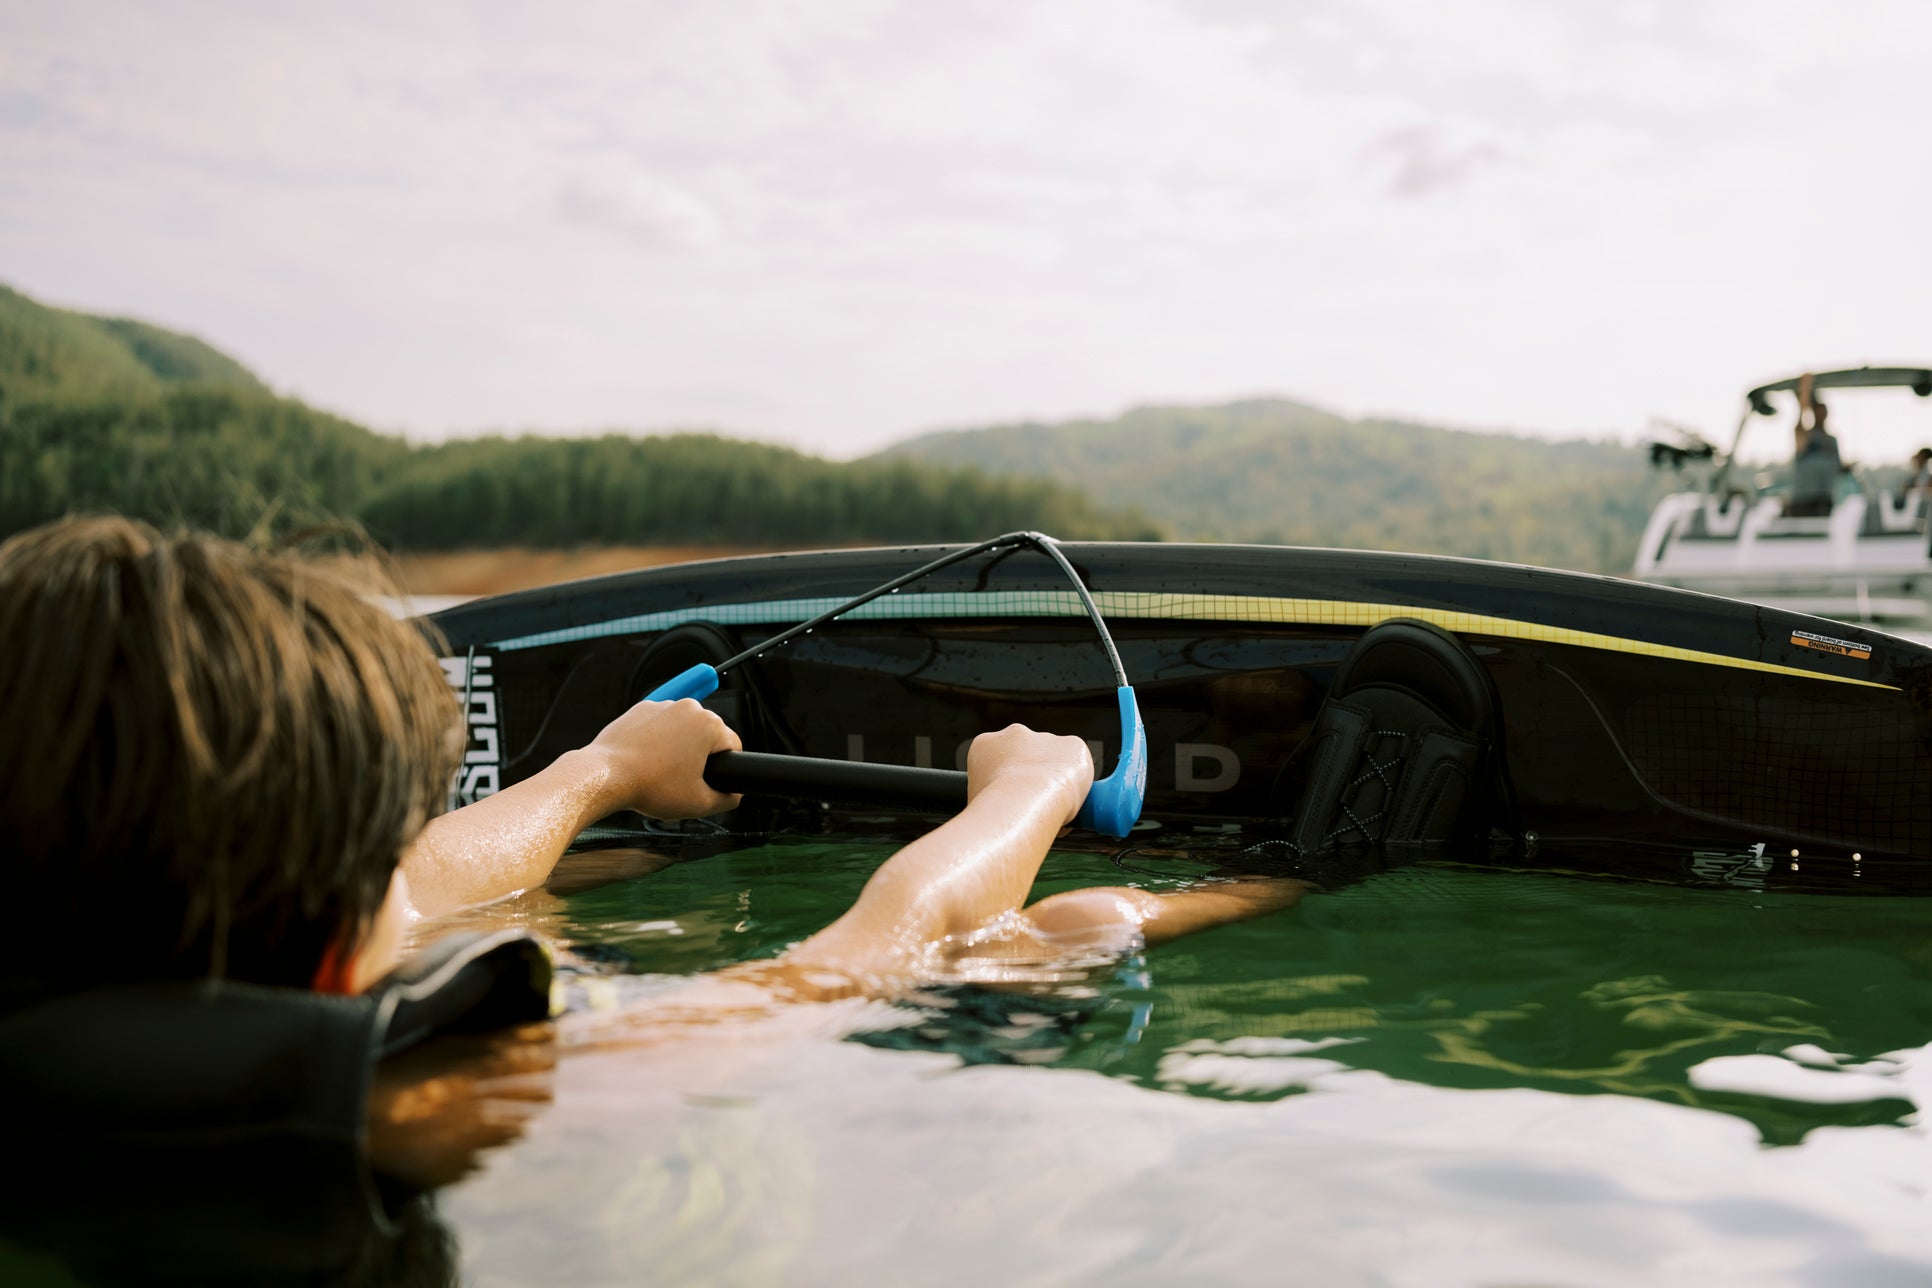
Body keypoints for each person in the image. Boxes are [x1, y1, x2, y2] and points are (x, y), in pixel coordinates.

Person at [1787, 375, 1843, 518]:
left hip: (1825, 500)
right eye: (1817, 411)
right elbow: (1800, 424)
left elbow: (1839, 467)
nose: (1821, 415)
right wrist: (1805, 391)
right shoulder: (1805, 436)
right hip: (1803, 501)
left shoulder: (1832, 440)